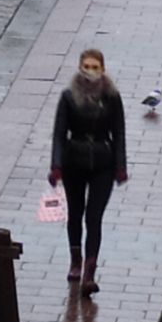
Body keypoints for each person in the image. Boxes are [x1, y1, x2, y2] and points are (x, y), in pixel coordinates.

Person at [49, 47, 127, 298]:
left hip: (102, 161)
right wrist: (56, 165)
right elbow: (59, 133)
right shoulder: (69, 96)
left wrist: (120, 166)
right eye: (87, 67)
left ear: (103, 69)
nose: (91, 71)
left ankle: (89, 272)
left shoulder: (112, 97)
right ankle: (75, 259)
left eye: (95, 67)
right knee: (75, 212)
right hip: (75, 160)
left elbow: (119, 133)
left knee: (94, 217)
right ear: (80, 68)